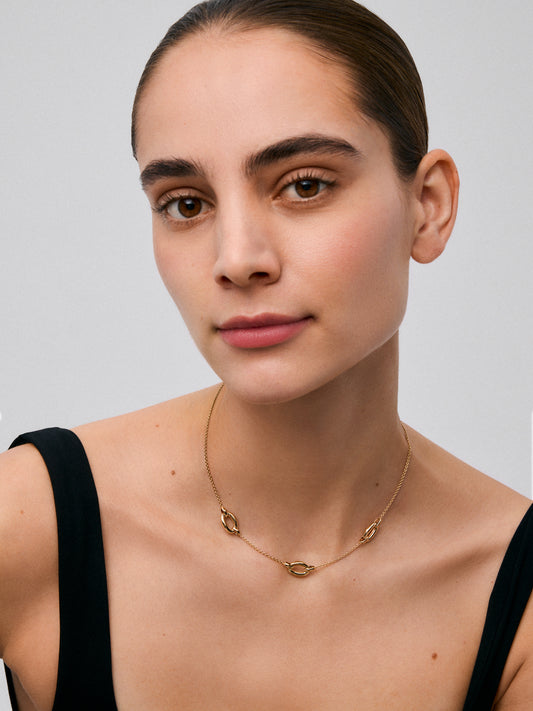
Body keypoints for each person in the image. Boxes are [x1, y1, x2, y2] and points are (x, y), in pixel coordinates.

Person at [1, 0, 532, 708]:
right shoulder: (29, 520)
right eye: (186, 203)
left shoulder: (514, 592)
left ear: (427, 205)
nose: (237, 259)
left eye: (304, 185)